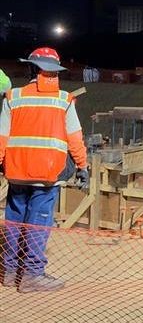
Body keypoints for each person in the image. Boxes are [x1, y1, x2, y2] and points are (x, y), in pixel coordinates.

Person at [0, 47, 88, 293]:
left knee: (15, 220)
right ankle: (31, 275)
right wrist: (82, 166)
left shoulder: (13, 97)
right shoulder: (64, 101)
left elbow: (1, 137)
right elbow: (75, 139)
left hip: (16, 172)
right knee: (38, 223)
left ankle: (8, 271)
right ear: (54, 71)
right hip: (47, 176)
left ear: (31, 68)